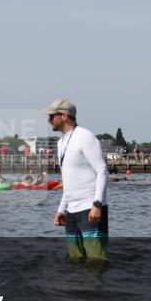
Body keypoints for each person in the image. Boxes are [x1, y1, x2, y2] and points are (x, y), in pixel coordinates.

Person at [43, 99, 108, 262]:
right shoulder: (60, 143)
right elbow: (68, 180)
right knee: (75, 259)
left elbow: (102, 170)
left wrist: (97, 204)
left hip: (90, 208)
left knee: (96, 260)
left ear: (64, 116)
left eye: (52, 116)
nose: (48, 120)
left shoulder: (85, 136)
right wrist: (61, 209)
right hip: (71, 211)